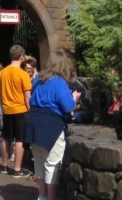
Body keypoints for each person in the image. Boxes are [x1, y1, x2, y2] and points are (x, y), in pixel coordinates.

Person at [24, 52, 81, 200]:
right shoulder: (59, 81)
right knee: (52, 166)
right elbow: (68, 106)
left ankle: (42, 197)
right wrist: (74, 98)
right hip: (50, 126)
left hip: (32, 123)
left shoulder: (38, 79)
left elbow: (31, 100)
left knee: (39, 164)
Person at [0, 44, 32, 177]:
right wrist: (30, 110)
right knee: (19, 139)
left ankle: (4, 166)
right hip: (20, 110)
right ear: (22, 57)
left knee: (6, 138)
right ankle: (17, 169)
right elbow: (27, 96)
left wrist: (3, 105)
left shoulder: (2, 73)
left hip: (7, 110)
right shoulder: (23, 74)